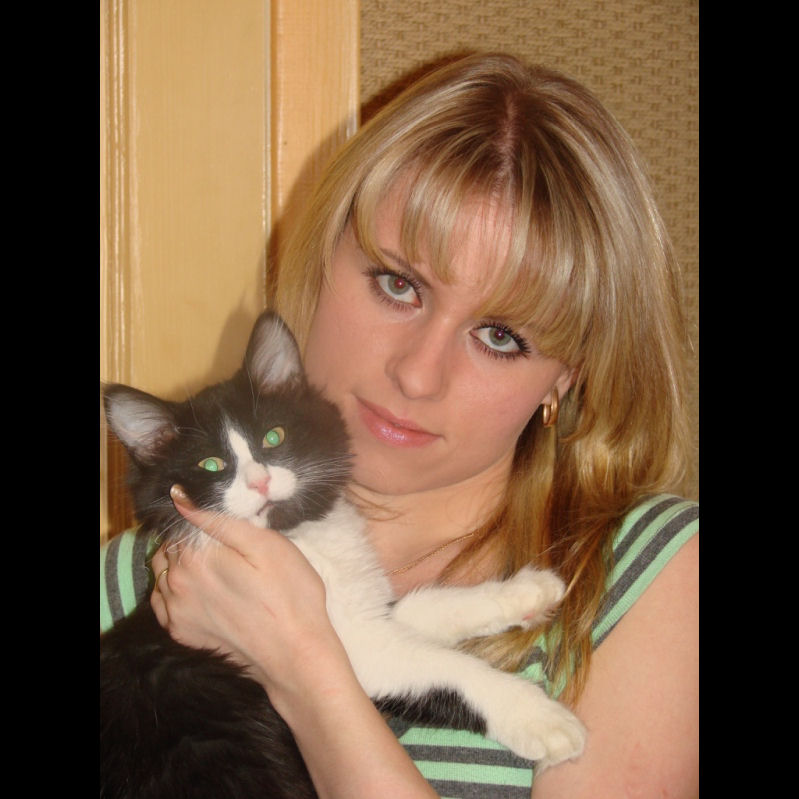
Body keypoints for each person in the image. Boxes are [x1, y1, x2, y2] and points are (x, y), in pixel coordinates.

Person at [101, 53, 699, 797]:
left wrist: (304, 666)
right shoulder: (137, 580)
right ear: (323, 259)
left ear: (566, 373)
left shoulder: (648, 575)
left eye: (500, 336)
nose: (418, 374)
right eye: (398, 285)